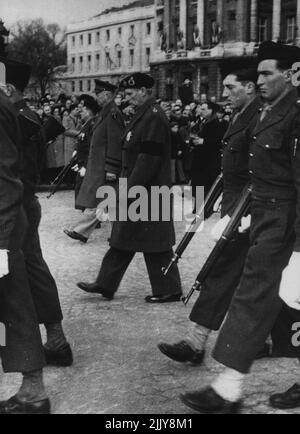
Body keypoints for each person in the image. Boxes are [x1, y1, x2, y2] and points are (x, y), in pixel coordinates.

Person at [180, 41, 300, 414]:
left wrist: (298, 247)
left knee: (265, 299)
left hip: (286, 223)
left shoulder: (295, 115)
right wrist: (244, 212)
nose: (260, 80)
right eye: (259, 73)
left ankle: (228, 388)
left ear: (291, 74)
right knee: (262, 300)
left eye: (267, 73)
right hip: (265, 217)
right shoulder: (268, 113)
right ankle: (228, 388)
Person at [158, 58, 264, 364]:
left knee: (223, 270)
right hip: (237, 205)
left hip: (249, 209)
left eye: (231, 87)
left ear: (249, 87)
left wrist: (245, 212)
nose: (225, 93)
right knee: (250, 275)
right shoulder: (243, 113)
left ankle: (196, 341)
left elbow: (260, 170)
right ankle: (265, 338)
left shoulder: (259, 117)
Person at [77, 73, 182, 303]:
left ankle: (169, 288)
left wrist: (130, 190)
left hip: (147, 190)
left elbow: (148, 159)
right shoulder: (144, 115)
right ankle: (105, 283)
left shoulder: (153, 117)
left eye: (131, 93)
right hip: (141, 188)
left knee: (156, 243)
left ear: (144, 91)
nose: (127, 97)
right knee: (123, 237)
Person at [2, 57, 73, 369]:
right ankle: (55, 338)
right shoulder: (26, 116)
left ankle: (52, 342)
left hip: (16, 203)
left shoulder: (19, 118)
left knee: (19, 275)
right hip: (23, 202)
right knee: (32, 268)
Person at [0, 57, 50, 414]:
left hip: (3, 222)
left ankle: (34, 392)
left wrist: (2, 241)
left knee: (13, 303)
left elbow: (5, 180)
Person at [64, 80, 124, 243]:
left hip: (106, 165)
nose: (96, 97)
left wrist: (111, 167)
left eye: (98, 93)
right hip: (100, 164)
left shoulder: (112, 113)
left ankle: (85, 232)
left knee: (108, 200)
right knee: (105, 200)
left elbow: (115, 141)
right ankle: (84, 232)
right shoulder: (106, 112)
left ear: (107, 94)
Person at [190, 101, 228, 212]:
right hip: (199, 159)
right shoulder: (201, 122)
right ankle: (198, 208)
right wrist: (193, 141)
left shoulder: (219, 124)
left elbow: (221, 141)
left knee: (207, 185)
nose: (201, 111)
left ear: (211, 110)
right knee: (198, 185)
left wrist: (204, 141)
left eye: (204, 109)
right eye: (201, 109)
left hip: (210, 161)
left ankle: (207, 208)